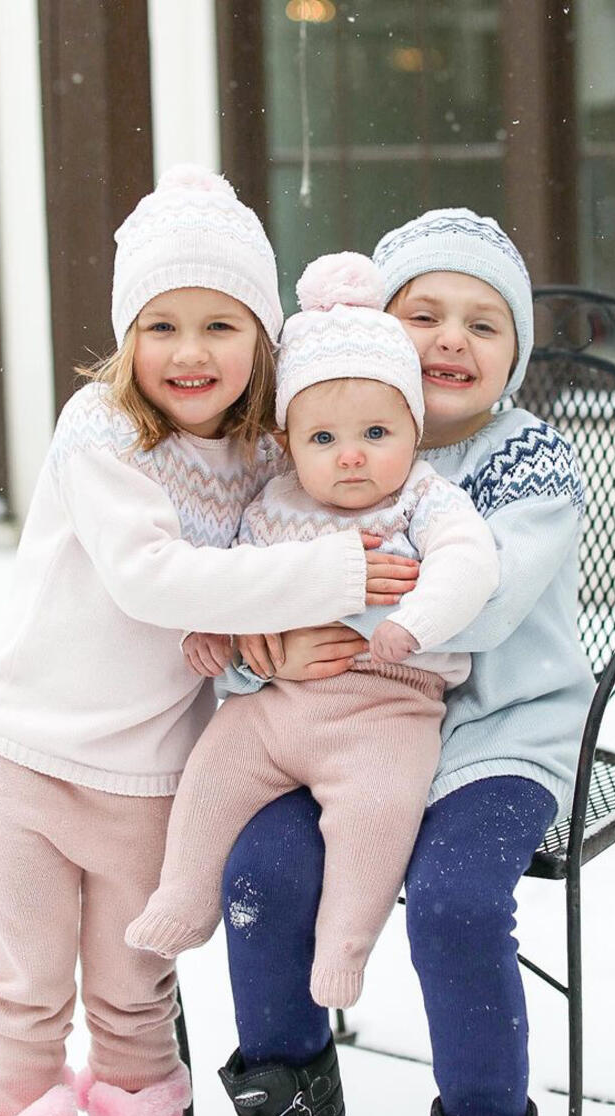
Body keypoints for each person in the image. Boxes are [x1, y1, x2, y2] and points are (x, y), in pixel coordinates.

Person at [0, 166, 418, 1116]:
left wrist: (279, 647)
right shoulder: (102, 432)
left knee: (132, 994)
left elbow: (247, 588)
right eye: (161, 324)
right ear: (127, 338)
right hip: (27, 759)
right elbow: (154, 579)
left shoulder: (264, 455)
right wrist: (333, 576)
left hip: (154, 777)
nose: (189, 351)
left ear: (260, 337)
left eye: (221, 324)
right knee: (26, 991)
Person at [217, 210, 596, 1116]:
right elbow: (239, 577)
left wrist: (301, 589)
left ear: (512, 354)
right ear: (374, 331)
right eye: (422, 312)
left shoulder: (529, 461)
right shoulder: (314, 442)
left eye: (483, 322)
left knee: (453, 902)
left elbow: (480, 599)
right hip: (338, 728)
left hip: (494, 740)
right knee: (258, 874)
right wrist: (264, 640)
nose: (449, 339)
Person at [125, 252, 499, 1022]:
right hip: (278, 705)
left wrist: (413, 622)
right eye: (324, 437)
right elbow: (235, 576)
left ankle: (345, 943)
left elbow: (471, 563)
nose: (351, 454)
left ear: (413, 431)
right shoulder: (273, 504)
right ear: (290, 443)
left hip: (384, 714)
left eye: (375, 432)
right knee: (214, 767)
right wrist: (218, 632)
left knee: (379, 810)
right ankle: (184, 892)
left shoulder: (426, 499)